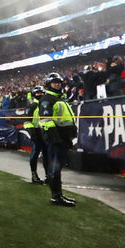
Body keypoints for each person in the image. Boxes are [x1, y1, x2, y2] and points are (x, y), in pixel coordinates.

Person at [38, 73, 78, 207]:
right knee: (55, 168)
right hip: (56, 139)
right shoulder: (47, 99)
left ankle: (58, 194)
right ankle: (56, 196)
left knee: (58, 167)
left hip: (63, 138)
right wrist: (55, 137)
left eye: (59, 83)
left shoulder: (60, 99)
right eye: (54, 83)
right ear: (49, 85)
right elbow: (46, 120)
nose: (58, 85)